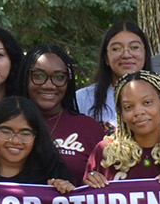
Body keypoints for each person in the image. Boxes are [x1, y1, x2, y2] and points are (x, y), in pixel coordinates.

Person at [83, 72, 160, 185]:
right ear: (121, 114)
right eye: (128, 107)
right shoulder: (105, 152)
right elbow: (85, 198)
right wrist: (90, 181)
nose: (138, 112)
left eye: (147, 102)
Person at [0, 96, 77, 192]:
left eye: (25, 133)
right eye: (6, 131)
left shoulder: (54, 172)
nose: (15, 141)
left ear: (36, 137)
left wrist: (68, 193)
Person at [16, 45, 103, 178]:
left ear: (68, 80)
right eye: (38, 75)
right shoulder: (6, 124)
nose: (49, 85)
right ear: (25, 77)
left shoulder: (89, 128)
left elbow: (109, 181)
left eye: (59, 77)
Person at [76, 22, 151, 126]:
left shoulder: (159, 95)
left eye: (134, 47)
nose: (126, 55)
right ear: (106, 57)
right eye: (116, 49)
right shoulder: (83, 98)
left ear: (145, 53)